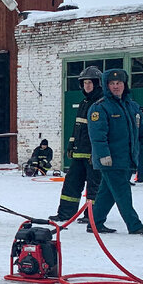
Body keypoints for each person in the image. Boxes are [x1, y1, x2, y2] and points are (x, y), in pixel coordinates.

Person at [87, 68, 143, 235]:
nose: (116, 86)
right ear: (106, 86)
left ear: (124, 84)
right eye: (112, 84)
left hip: (127, 159)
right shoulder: (99, 108)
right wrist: (103, 155)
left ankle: (95, 223)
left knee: (107, 193)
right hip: (111, 161)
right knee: (122, 192)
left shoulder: (132, 107)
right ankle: (134, 225)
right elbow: (97, 135)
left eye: (119, 83)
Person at [50, 66, 103, 223]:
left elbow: (101, 131)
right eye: (85, 83)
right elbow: (77, 127)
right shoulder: (84, 103)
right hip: (79, 153)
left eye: (90, 83)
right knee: (71, 184)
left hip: (93, 155)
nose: (87, 86)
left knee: (94, 187)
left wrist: (97, 151)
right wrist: (71, 144)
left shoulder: (101, 103)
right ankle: (65, 213)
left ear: (98, 84)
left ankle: (91, 216)